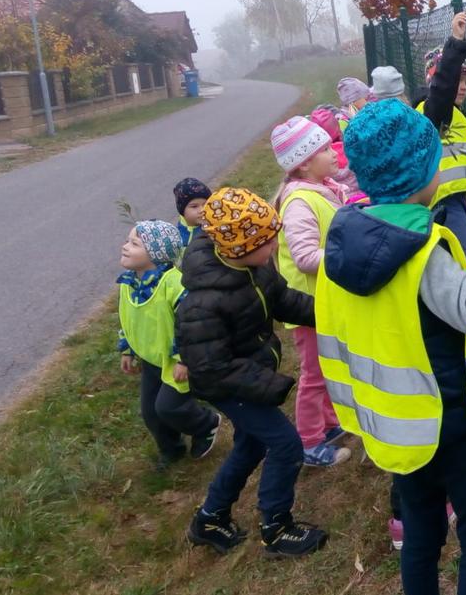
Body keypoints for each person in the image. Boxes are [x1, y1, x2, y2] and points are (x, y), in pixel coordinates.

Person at [316, 99, 466, 594]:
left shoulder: (348, 240)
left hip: (400, 426)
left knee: (421, 531)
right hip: (455, 423)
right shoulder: (423, 247)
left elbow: (415, 308)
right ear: (422, 173)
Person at [178, 187, 327, 558]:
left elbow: (284, 300)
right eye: (268, 241)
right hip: (226, 385)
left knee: (251, 443)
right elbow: (209, 368)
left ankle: (210, 519)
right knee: (285, 443)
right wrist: (265, 383)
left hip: (245, 374)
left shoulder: (255, 267)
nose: (275, 246)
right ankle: (276, 528)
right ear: (239, 247)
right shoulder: (202, 304)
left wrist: (332, 313)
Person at [270, 116, 352, 467]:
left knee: (330, 364)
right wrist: (349, 255)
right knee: (315, 373)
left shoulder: (322, 189)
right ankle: (308, 441)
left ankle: (329, 424)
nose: (335, 153)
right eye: (324, 149)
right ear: (303, 162)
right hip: (308, 305)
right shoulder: (300, 201)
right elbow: (304, 257)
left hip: (326, 301)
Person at [118, 220, 221, 470]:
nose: (125, 247)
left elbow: (190, 323)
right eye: (127, 241)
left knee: (169, 407)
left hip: (177, 361)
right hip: (152, 360)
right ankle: (171, 449)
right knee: (150, 413)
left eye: (134, 243)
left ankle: (206, 424)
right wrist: (127, 349)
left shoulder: (174, 284)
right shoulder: (128, 282)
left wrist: (184, 359)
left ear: (156, 253)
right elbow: (126, 316)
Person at [418, 12, 466, 262]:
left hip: (458, 200)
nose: (463, 86)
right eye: (457, 80)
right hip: (446, 202)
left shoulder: (451, 114)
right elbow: (443, 86)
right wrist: (456, 41)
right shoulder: (433, 111)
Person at [172, 178, 212, 249]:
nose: (202, 210)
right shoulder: (177, 237)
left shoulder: (216, 227)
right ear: (182, 211)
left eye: (205, 204)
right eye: (194, 206)